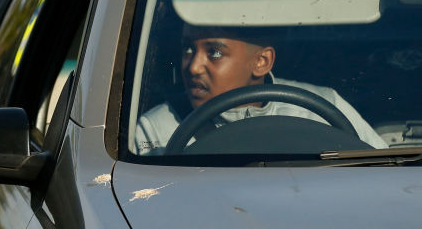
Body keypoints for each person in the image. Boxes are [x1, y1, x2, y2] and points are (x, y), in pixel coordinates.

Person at [134, 26, 387, 155]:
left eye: (215, 53)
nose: (194, 66)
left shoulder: (324, 107)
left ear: (261, 62)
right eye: (188, 48)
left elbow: (380, 170)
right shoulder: (156, 128)